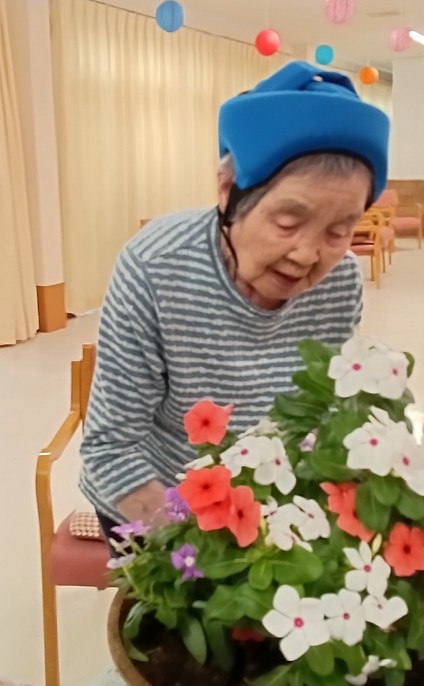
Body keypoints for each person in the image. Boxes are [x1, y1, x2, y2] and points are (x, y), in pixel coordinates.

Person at [80, 60, 390, 541]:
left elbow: (326, 412)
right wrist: (207, 550)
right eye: (287, 222)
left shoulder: (341, 279)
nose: (308, 255)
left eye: (338, 230)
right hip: (162, 498)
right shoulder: (156, 266)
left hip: (274, 505)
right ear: (228, 191)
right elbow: (109, 449)